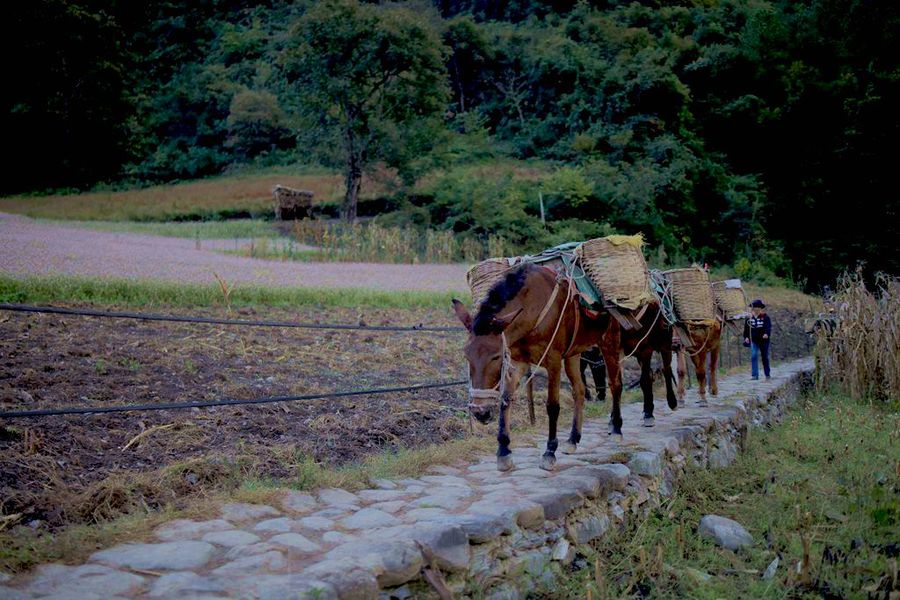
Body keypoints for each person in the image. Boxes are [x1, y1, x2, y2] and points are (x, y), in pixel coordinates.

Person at [743, 299, 772, 380]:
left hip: (764, 341)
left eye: (758, 307)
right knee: (753, 355)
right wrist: (746, 338)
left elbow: (768, 327)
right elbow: (746, 330)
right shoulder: (749, 318)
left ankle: (767, 374)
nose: (757, 309)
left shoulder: (765, 317)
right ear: (753, 308)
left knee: (764, 357)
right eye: (755, 307)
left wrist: (766, 334)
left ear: (761, 308)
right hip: (754, 340)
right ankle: (755, 375)